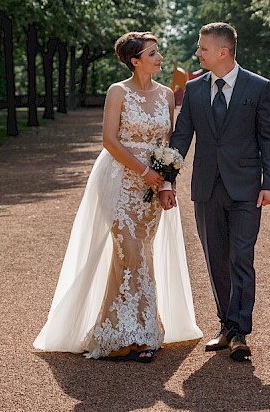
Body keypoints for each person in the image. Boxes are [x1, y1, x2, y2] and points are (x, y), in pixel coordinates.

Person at [34, 31, 202, 362]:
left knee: (138, 254)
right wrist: (144, 173)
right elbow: (109, 141)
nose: (159, 58)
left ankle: (119, 329)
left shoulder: (167, 95)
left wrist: (166, 185)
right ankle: (141, 336)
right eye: (152, 53)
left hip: (153, 188)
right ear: (135, 60)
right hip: (121, 183)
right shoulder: (118, 92)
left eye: (158, 52)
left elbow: (167, 146)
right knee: (132, 252)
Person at [168, 22, 270, 362]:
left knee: (241, 257)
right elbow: (181, 138)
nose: (197, 53)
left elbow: (268, 137)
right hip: (206, 188)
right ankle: (225, 326)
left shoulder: (259, 87)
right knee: (216, 259)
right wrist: (166, 179)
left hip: (246, 188)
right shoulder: (195, 88)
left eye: (202, 48)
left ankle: (240, 332)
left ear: (223, 52)